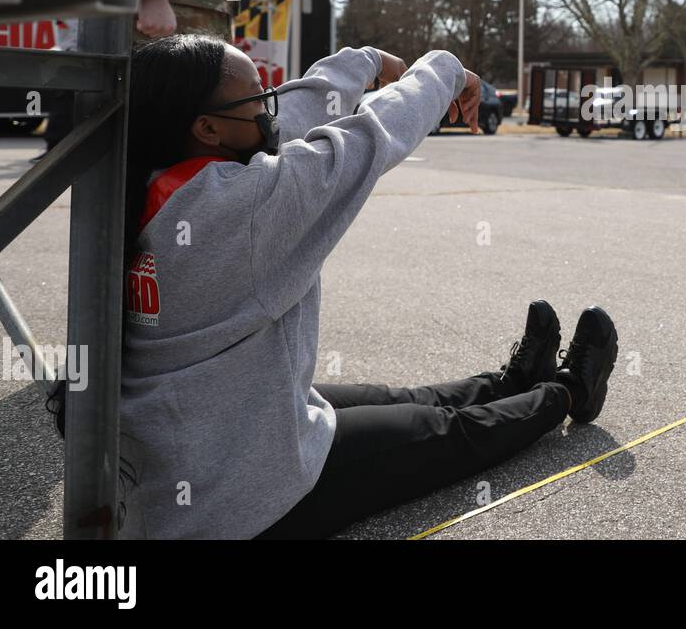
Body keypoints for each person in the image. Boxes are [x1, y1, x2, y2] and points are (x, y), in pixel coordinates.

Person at [45, 36, 618, 538]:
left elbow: (292, 113)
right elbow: (369, 137)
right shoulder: (244, 207)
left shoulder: (143, 181)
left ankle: (512, 380)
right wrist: (444, 70)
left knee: (395, 400)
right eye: (257, 100)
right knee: (448, 436)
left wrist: (365, 62)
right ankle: (569, 391)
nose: (270, 109)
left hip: (186, 446)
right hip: (242, 503)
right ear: (208, 128)